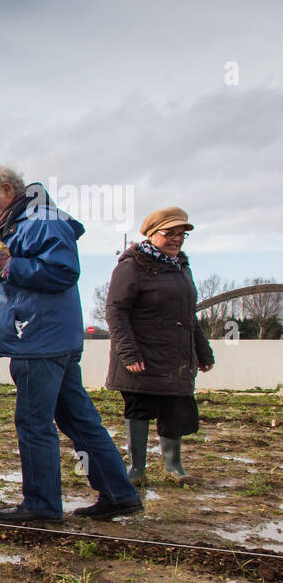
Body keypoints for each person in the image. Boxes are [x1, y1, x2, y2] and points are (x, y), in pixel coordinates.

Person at [0, 165, 143, 522]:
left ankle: (41, 505)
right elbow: (8, 258)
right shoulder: (26, 220)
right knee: (79, 419)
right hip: (49, 337)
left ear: (7, 190)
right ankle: (119, 493)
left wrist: (6, 263)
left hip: (38, 339)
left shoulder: (42, 220)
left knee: (33, 422)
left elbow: (60, 271)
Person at [105, 207, 214, 485]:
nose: (176, 239)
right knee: (140, 408)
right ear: (152, 234)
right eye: (170, 233)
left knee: (175, 409)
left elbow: (189, 315)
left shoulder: (182, 267)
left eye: (181, 235)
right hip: (141, 354)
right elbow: (116, 311)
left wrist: (202, 350)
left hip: (175, 357)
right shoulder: (132, 265)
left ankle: (174, 466)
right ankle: (137, 469)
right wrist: (129, 352)